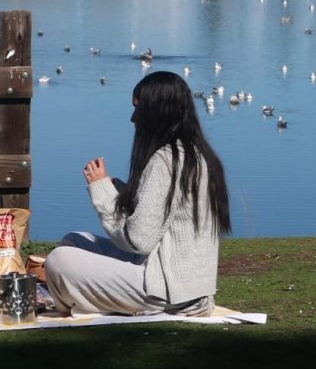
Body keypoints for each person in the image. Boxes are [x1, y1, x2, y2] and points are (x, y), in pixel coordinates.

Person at [45, 70, 231, 316]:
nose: (133, 118)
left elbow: (138, 241)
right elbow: (160, 217)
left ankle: (83, 302)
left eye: (138, 109)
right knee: (74, 241)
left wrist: (101, 191)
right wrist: (122, 192)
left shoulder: (167, 161)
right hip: (173, 281)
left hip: (168, 292)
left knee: (60, 261)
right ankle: (87, 299)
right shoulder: (195, 154)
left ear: (156, 112)